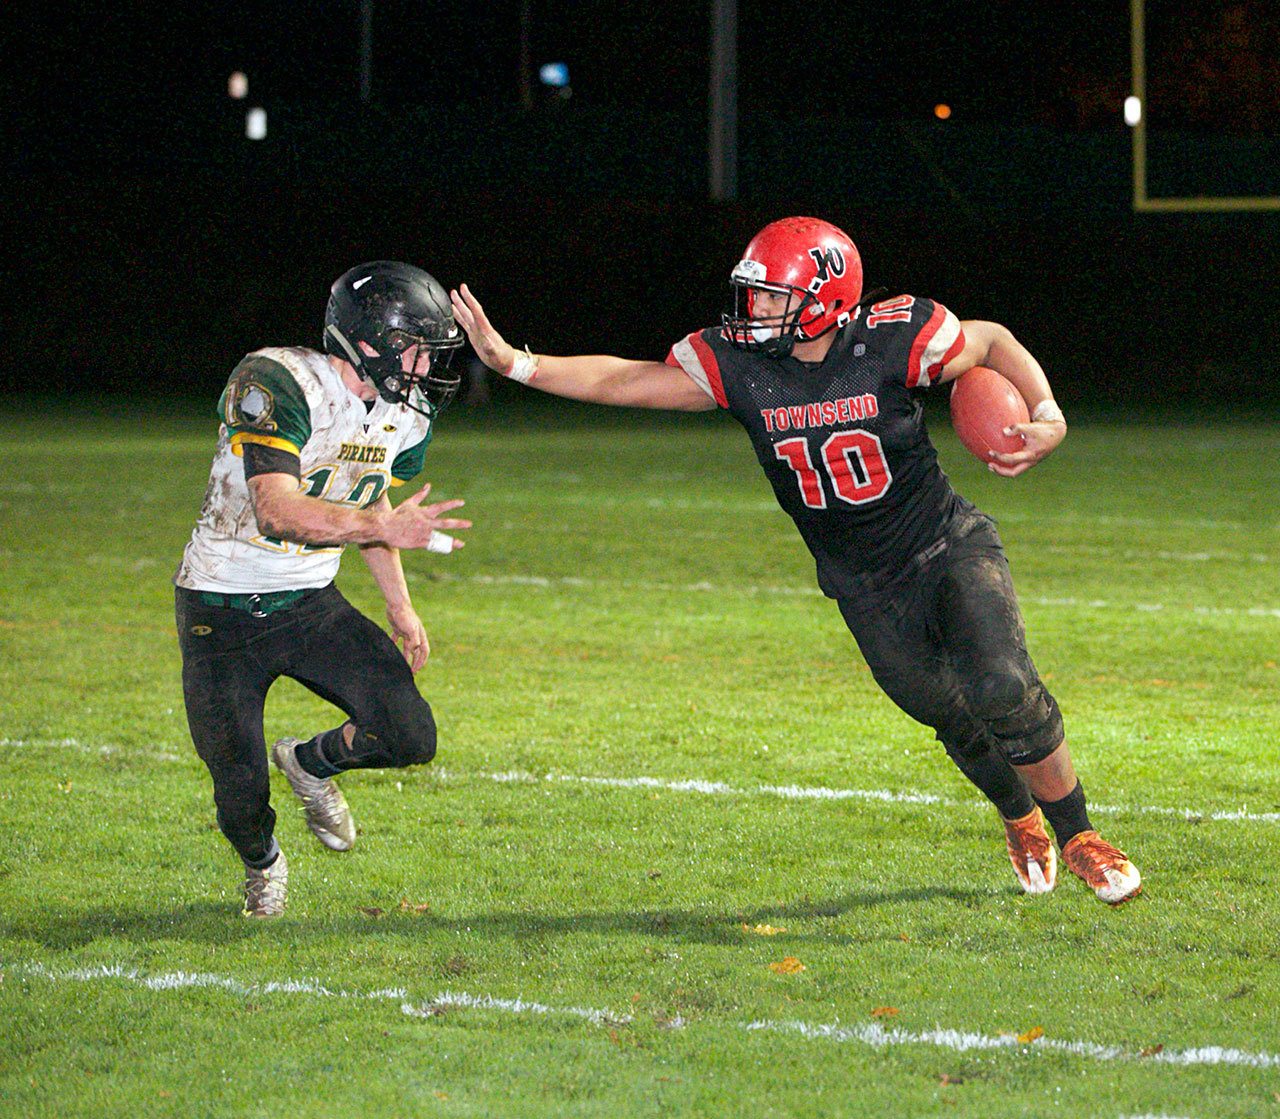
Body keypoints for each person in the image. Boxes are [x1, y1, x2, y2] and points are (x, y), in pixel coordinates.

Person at [452, 216, 1141, 905]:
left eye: (773, 296)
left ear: (827, 298)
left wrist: (1048, 410)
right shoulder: (744, 364)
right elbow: (623, 381)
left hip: (944, 543)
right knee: (945, 712)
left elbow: (989, 339)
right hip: (861, 583)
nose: (755, 310)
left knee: (1001, 684)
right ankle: (1019, 815)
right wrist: (516, 361)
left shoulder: (892, 339)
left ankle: (1079, 834)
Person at [174, 261, 473, 917]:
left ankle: (310, 762)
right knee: (239, 792)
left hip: (308, 603)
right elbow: (276, 509)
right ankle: (263, 863)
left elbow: (378, 504)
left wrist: (400, 605)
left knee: (408, 732)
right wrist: (383, 525)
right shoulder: (276, 379)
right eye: (420, 349)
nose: (428, 367)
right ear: (369, 343)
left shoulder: (404, 416)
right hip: (220, 608)